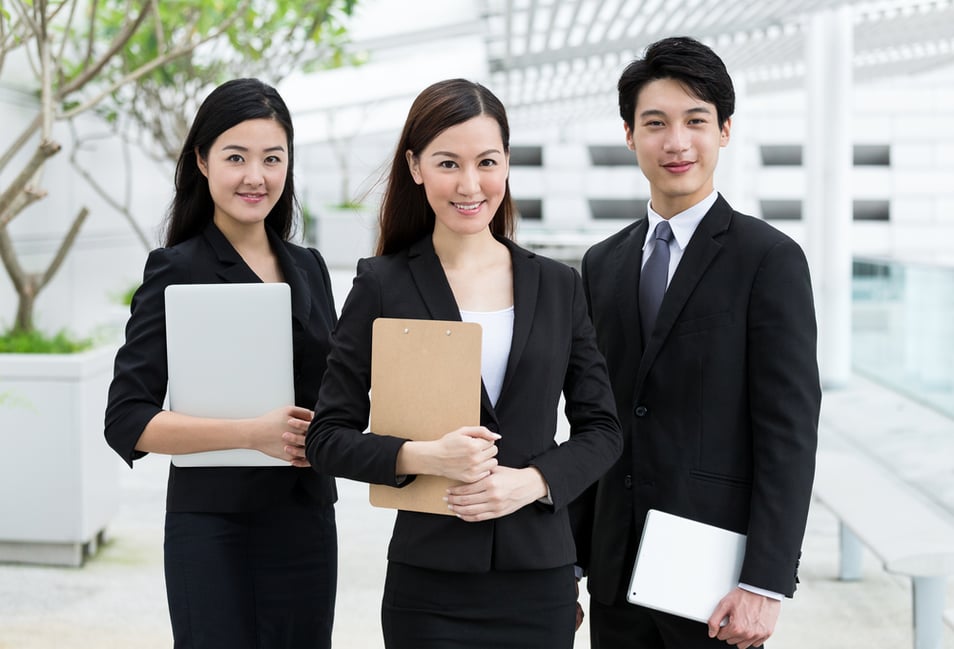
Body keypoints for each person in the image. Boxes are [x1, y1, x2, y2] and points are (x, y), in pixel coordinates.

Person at [305, 78, 622, 649]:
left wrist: (533, 482)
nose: (470, 185)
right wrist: (423, 456)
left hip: (540, 578)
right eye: (448, 163)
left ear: (506, 164)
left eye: (487, 162)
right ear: (415, 166)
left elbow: (603, 431)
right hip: (428, 585)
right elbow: (327, 436)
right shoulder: (382, 284)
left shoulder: (558, 286)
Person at [575, 36, 821, 649]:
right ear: (630, 135)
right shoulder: (601, 264)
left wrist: (765, 583)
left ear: (726, 130)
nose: (676, 142)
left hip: (715, 583)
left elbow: (788, 431)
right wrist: (572, 560)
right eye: (655, 123)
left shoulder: (769, 260)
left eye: (696, 121)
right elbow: (593, 422)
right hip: (614, 574)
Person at [104, 78, 338, 649]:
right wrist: (251, 433)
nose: (255, 176)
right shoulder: (175, 269)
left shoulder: (309, 267)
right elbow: (127, 421)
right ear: (203, 161)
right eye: (236, 157)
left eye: (272, 159)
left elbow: (338, 393)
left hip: (306, 523)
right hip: (213, 529)